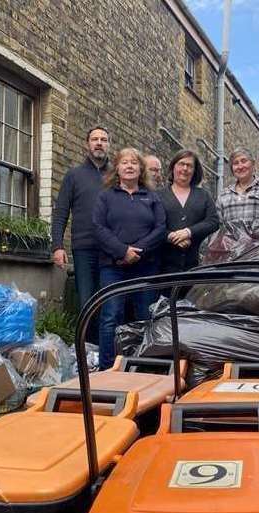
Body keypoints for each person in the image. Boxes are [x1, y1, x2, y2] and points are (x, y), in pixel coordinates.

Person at [92, 147, 166, 370]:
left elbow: (161, 228)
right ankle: (107, 368)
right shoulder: (106, 196)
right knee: (111, 316)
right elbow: (98, 227)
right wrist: (122, 251)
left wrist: (137, 252)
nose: (130, 166)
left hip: (145, 267)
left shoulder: (152, 197)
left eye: (134, 162)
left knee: (145, 316)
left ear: (141, 169)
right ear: (118, 168)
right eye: (125, 162)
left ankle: (143, 366)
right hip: (113, 267)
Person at [51, 126, 111, 318]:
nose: (99, 143)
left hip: (112, 250)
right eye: (95, 139)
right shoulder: (74, 175)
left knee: (109, 302)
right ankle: (87, 348)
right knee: (87, 302)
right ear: (87, 144)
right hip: (84, 248)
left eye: (103, 139)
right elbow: (61, 212)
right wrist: (57, 246)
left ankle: (106, 348)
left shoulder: (116, 176)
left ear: (109, 145)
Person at [158, 150, 219, 273]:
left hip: (195, 266)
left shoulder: (203, 195)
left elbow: (213, 221)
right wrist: (172, 237)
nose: (185, 168)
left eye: (190, 165)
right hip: (163, 267)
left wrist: (188, 232)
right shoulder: (158, 195)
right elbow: (151, 225)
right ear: (173, 167)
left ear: (194, 171)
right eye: (181, 164)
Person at [216, 147, 259, 223]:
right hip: (231, 235)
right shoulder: (223, 195)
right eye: (236, 163)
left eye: (244, 161)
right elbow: (219, 227)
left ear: (253, 164)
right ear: (232, 169)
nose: (240, 166)